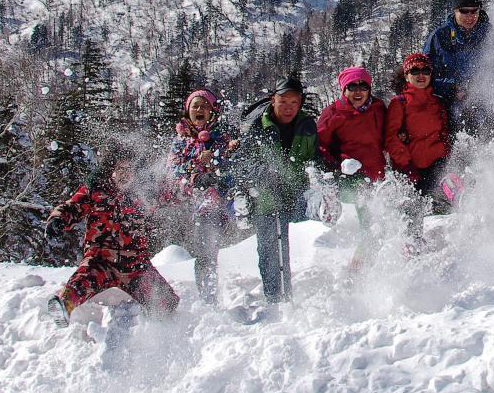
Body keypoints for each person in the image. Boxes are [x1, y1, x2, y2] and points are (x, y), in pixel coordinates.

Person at [45, 147, 179, 327]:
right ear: (111, 171)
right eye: (120, 169)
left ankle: (156, 328)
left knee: (166, 301)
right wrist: (57, 220)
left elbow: (175, 193)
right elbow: (72, 206)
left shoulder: (145, 193)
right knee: (82, 281)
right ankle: (64, 306)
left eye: (129, 170)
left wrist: (190, 184)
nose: (124, 174)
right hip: (100, 260)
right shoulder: (96, 190)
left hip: (135, 264)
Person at [238, 75, 318, 304]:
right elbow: (242, 161)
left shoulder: (307, 125)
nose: (289, 107)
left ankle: (302, 298)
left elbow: (315, 158)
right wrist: (263, 175)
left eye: (295, 102)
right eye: (284, 101)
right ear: (273, 99)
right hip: (266, 195)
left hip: (298, 193)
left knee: (306, 245)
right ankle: (275, 298)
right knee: (270, 249)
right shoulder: (257, 126)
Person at [165, 89, 236, 304]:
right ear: (187, 110)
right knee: (206, 250)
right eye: (195, 105)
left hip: (225, 199)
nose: (199, 109)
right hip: (197, 205)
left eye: (204, 106)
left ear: (213, 111)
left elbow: (233, 166)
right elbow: (173, 172)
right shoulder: (180, 142)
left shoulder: (222, 137)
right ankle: (208, 298)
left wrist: (228, 152)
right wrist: (197, 167)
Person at [424, 0, 494, 140]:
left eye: (475, 11)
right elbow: (424, 76)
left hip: (483, 105)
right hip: (447, 106)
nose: (470, 16)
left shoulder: (490, 34)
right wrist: (452, 88)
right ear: (455, 10)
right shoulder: (439, 37)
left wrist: (481, 88)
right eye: (464, 11)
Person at [385, 53, 452, 200]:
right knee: (416, 214)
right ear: (406, 75)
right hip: (412, 170)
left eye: (425, 71)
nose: (421, 75)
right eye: (415, 71)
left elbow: (444, 132)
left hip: (438, 166)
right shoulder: (399, 103)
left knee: (444, 211)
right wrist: (406, 166)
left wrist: (447, 157)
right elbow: (391, 138)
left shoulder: (437, 102)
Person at [316, 66, 391, 182]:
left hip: (379, 176)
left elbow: (389, 134)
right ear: (344, 90)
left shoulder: (378, 107)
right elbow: (319, 146)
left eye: (363, 86)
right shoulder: (332, 113)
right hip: (348, 179)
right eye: (352, 86)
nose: (358, 91)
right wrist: (338, 164)